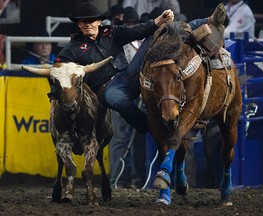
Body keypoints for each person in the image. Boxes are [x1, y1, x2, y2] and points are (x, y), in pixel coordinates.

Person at [54, 0, 226, 136]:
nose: (87, 24)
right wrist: (56, 92)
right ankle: (151, 127)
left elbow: (138, 31)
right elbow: (58, 70)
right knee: (120, 102)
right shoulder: (73, 48)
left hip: (130, 74)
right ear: (78, 25)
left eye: (91, 20)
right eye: (83, 22)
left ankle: (207, 21)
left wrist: (159, 20)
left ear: (99, 21)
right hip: (106, 88)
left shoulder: (111, 33)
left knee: (159, 31)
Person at [109, 7, 146, 189]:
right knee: (121, 138)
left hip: (139, 94)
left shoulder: (143, 43)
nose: (132, 27)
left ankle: (136, 179)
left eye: (134, 24)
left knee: (138, 137)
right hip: (122, 93)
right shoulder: (119, 44)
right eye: (129, 24)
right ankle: (118, 179)